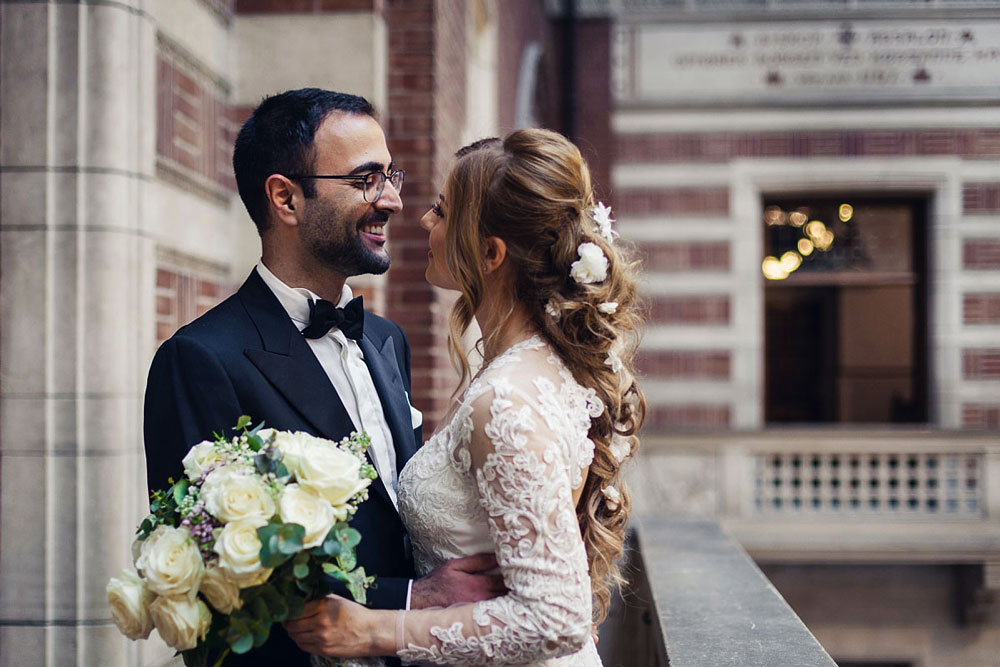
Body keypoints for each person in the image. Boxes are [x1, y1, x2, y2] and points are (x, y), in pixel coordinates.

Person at [143, 88, 503, 667]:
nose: (391, 200)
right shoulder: (199, 361)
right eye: (366, 180)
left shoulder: (388, 341)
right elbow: (211, 583)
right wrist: (411, 600)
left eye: (392, 176)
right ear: (286, 198)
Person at [285, 129, 646, 665]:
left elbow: (556, 618)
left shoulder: (505, 399)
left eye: (442, 210)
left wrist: (373, 630)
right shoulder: (526, 368)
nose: (425, 220)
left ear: (490, 252)